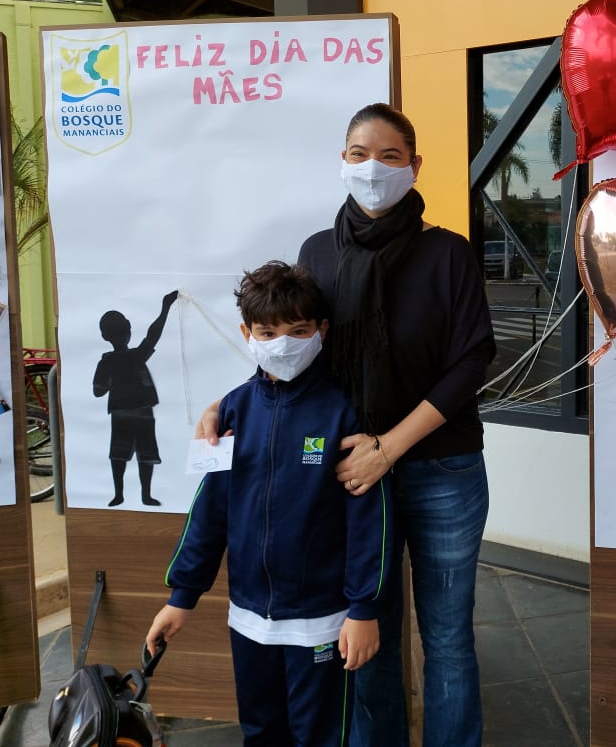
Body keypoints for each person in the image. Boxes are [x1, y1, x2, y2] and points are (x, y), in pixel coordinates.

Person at [199, 103, 496, 746]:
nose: (373, 168)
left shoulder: (448, 255)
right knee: (367, 634)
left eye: (390, 156)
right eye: (359, 153)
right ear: (341, 161)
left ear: (415, 167)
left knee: (447, 639)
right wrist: (227, 404)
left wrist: (389, 446)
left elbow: (471, 360)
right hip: (353, 478)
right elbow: (293, 354)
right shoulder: (316, 253)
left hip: (440, 467)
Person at [147, 261, 391, 746]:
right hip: (248, 621)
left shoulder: (345, 413)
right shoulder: (233, 411)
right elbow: (209, 511)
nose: (283, 343)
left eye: (298, 330)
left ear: (321, 331)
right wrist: (182, 597)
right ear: (247, 333)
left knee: (319, 736)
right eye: (268, 331)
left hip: (321, 623)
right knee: (260, 732)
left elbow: (369, 520)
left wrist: (363, 608)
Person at [93, 291, 178, 506]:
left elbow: (98, 391)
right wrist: (165, 308)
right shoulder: (135, 356)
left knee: (119, 455)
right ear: (129, 329)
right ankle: (144, 495)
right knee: (144, 455)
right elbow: (153, 335)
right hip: (141, 413)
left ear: (104, 336)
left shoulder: (108, 361)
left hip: (122, 414)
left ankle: (120, 494)